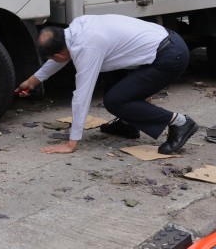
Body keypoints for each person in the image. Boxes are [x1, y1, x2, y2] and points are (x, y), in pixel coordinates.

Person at [15, 14, 197, 155]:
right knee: (109, 71)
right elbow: (61, 56)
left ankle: (180, 122)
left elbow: (82, 96)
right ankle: (128, 124)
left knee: (115, 101)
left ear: (58, 54)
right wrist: (33, 81)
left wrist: (71, 142)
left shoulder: (88, 47)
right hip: (166, 43)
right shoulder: (76, 29)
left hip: (170, 57)